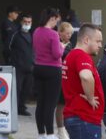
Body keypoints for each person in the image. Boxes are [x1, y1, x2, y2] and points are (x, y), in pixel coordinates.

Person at [62, 24, 104, 139]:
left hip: (78, 117)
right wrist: (90, 98)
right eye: (98, 41)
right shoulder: (81, 56)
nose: (100, 45)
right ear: (86, 40)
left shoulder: (71, 55)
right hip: (84, 117)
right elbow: (86, 76)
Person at [33, 8, 64, 139]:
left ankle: (41, 134)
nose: (57, 23)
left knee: (41, 102)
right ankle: (50, 134)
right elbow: (57, 54)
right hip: (53, 69)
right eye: (57, 20)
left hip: (38, 67)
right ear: (52, 18)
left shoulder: (36, 31)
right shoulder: (53, 34)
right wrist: (62, 47)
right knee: (50, 104)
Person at [9, 13, 34, 116]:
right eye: (25, 22)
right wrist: (14, 61)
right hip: (18, 66)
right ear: (21, 22)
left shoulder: (32, 34)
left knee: (27, 89)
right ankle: (14, 108)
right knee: (17, 88)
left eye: (29, 22)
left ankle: (22, 108)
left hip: (30, 66)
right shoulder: (15, 34)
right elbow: (8, 48)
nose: (27, 24)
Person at [56, 22, 74, 139]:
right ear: (60, 32)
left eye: (70, 34)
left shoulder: (70, 44)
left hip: (68, 77)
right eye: (67, 33)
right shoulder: (57, 43)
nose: (69, 35)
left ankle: (66, 128)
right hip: (58, 77)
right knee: (60, 105)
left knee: (67, 104)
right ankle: (60, 130)